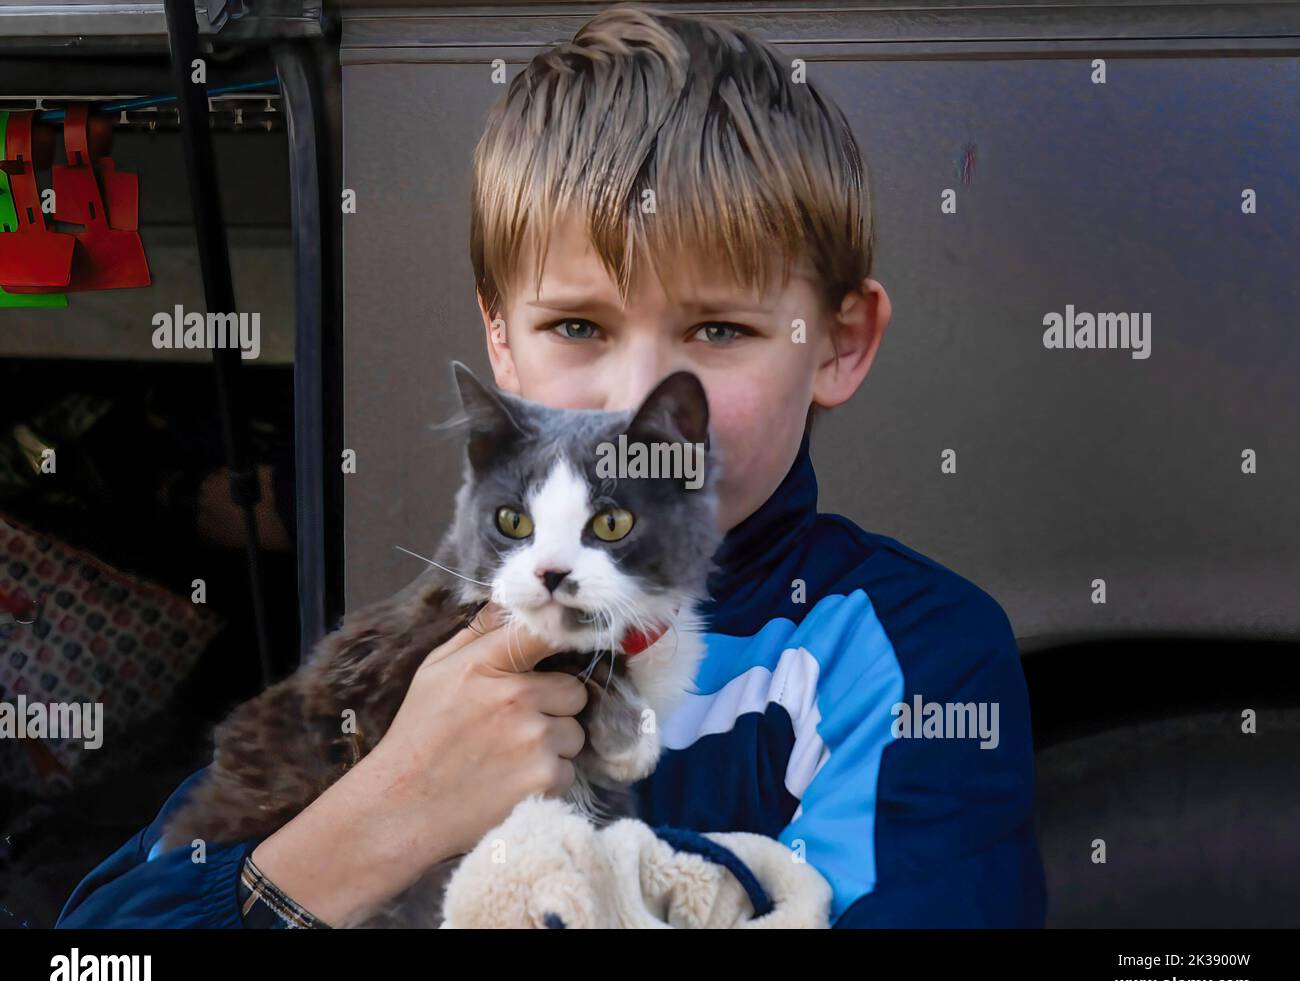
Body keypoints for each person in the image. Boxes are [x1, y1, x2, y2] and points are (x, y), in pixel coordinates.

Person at [57, 5, 1045, 929]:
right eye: (578, 325)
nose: (636, 396)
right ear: (501, 344)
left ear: (838, 341)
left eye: (718, 327)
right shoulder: (418, 665)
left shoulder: (901, 657)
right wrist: (392, 805)